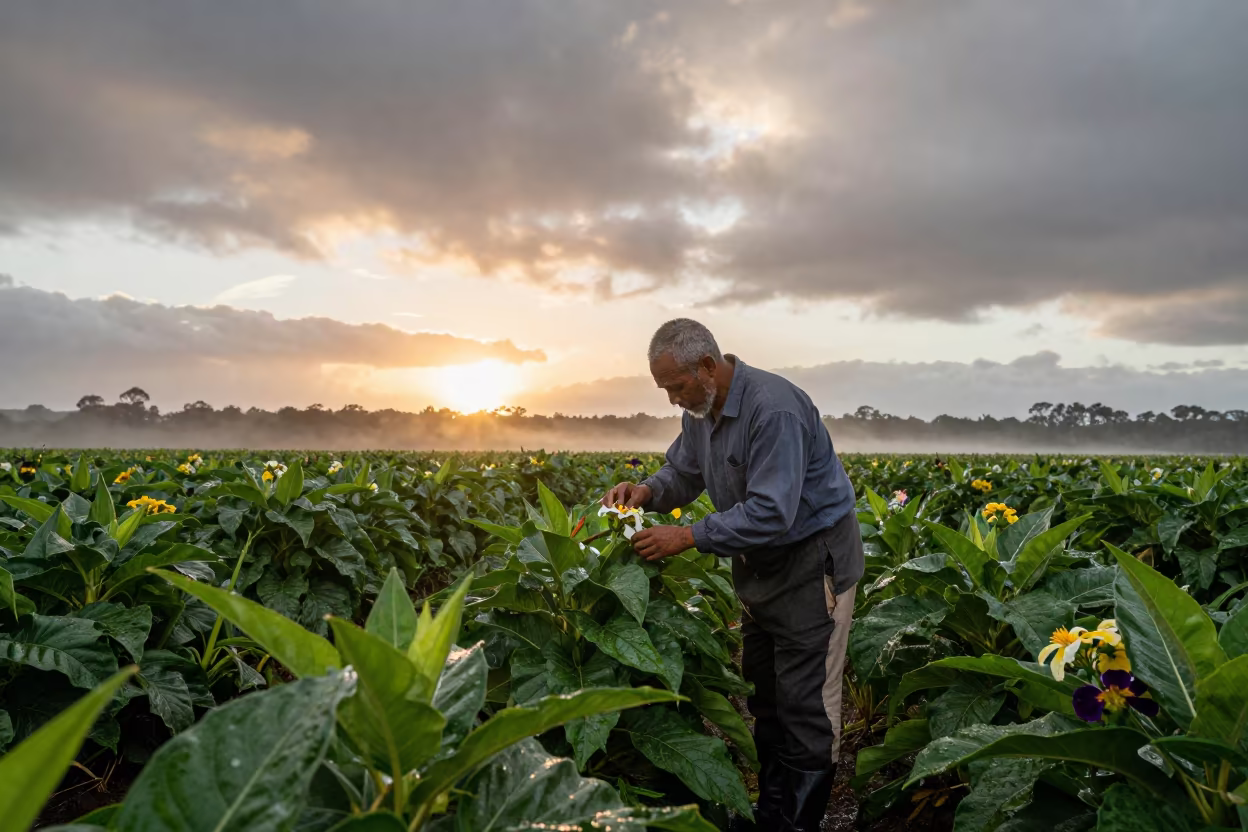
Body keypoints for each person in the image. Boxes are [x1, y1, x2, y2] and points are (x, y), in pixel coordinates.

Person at [602, 319, 863, 832]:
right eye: (664, 390)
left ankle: (800, 822)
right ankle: (770, 812)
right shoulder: (701, 411)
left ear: (707, 366)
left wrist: (687, 536)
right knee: (765, 697)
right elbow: (683, 471)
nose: (673, 400)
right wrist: (647, 492)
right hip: (759, 569)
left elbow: (771, 511)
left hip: (812, 566)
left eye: (676, 386)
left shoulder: (774, 408)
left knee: (807, 705)